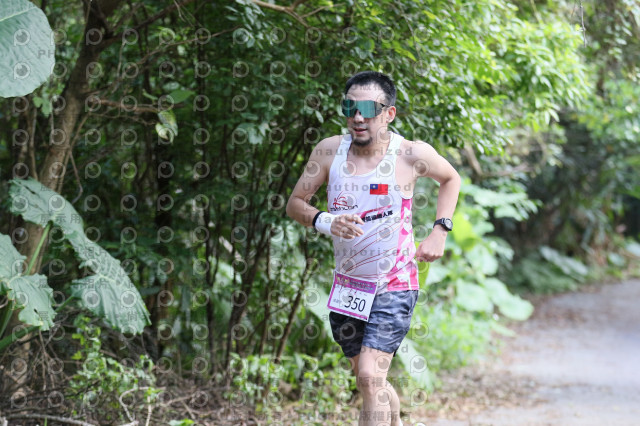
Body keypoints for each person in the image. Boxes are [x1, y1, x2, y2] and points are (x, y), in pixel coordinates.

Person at [286, 71, 461, 426]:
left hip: (394, 284)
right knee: (370, 380)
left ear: (389, 114)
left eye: (367, 109)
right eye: (349, 108)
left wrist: (440, 231)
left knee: (369, 376)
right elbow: (295, 204)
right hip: (349, 286)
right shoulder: (330, 151)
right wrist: (326, 220)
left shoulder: (410, 154)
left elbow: (451, 178)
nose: (357, 117)